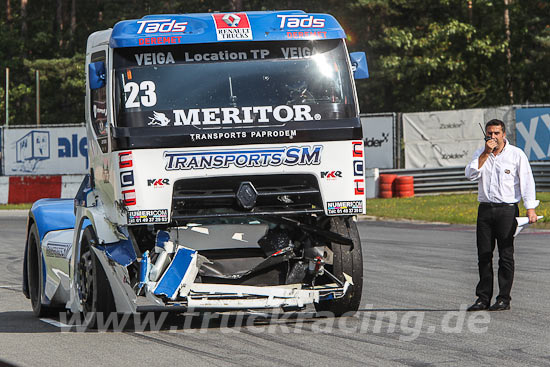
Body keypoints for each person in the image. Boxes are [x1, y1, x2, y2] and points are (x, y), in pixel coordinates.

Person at [465, 119, 538, 311]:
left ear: (504, 135)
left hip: (507, 210)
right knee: (484, 255)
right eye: (490, 133)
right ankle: (482, 298)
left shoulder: (516, 155)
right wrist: (485, 154)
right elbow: (470, 174)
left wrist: (530, 208)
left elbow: (527, 182)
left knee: (506, 255)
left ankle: (503, 298)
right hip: (485, 209)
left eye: (496, 133)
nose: (493, 137)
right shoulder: (481, 153)